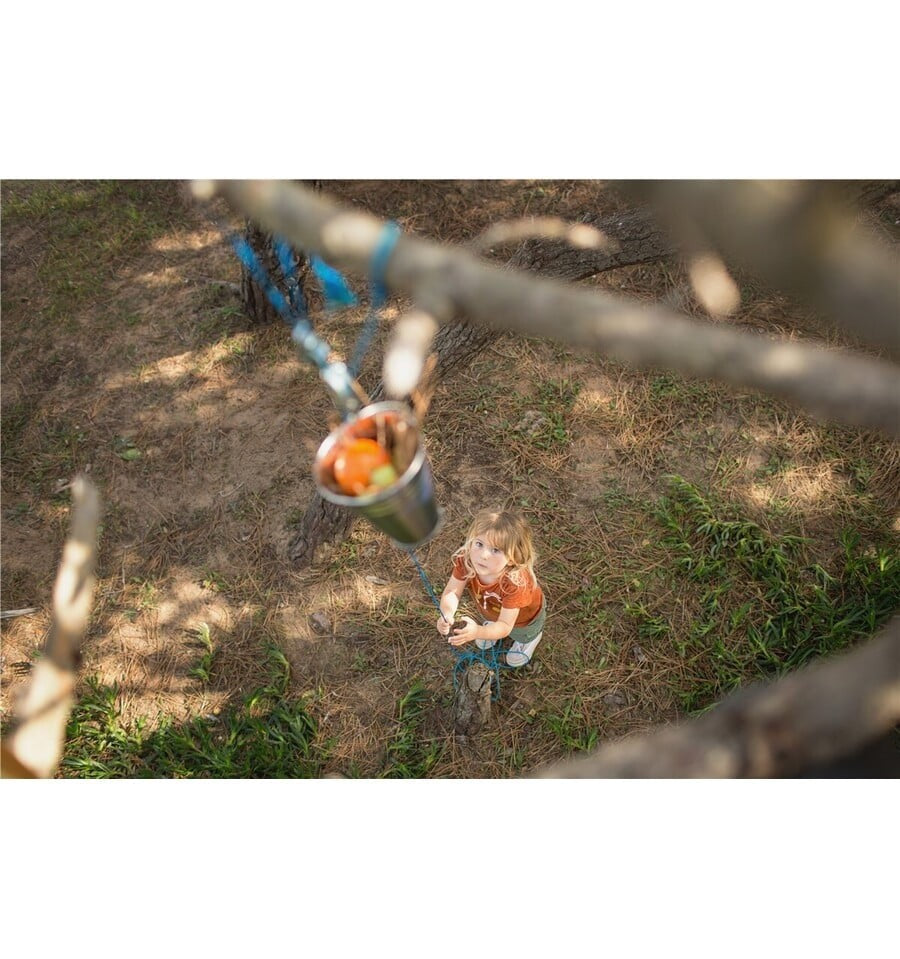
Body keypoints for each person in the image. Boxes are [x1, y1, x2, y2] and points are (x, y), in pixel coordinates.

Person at [436, 509, 546, 667]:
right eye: (479, 544)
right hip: (492, 611)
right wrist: (446, 613)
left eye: (496, 550)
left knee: (522, 633)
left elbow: (505, 625)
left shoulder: (516, 584)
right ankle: (491, 630)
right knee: (493, 620)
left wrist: (478, 632)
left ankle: (529, 639)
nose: (483, 555)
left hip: (524, 621)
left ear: (512, 558)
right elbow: (452, 591)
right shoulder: (467, 561)